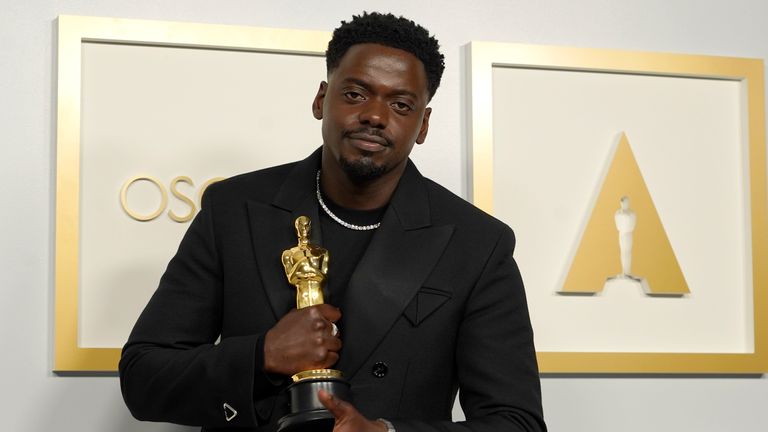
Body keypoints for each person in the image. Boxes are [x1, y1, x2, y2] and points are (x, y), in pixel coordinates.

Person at [119, 12, 546, 432]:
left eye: (400, 104)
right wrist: (261, 355)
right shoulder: (233, 209)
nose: (375, 116)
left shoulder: (477, 244)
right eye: (356, 94)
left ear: (423, 124)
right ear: (322, 98)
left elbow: (517, 422)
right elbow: (143, 377)